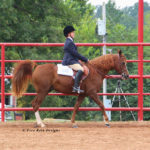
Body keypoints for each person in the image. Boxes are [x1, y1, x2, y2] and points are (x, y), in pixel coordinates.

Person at [62, 26, 88, 93]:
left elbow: (74, 54)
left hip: (71, 60)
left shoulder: (69, 41)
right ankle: (76, 87)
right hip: (70, 62)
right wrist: (85, 59)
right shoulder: (70, 42)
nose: (74, 33)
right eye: (72, 32)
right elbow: (75, 53)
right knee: (81, 69)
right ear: (69, 34)